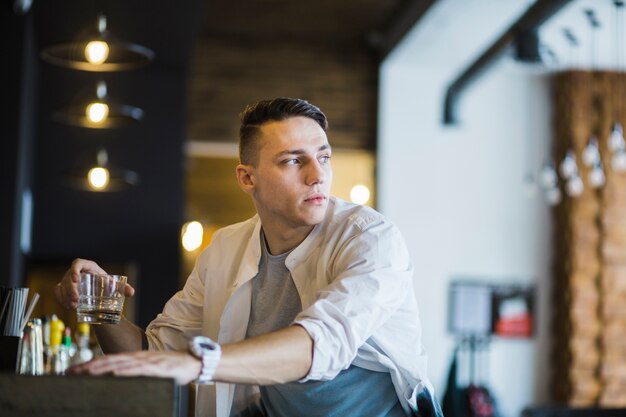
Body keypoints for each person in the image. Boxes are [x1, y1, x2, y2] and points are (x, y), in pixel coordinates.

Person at [56, 98, 442, 417]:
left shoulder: (371, 237)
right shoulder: (224, 249)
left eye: (323, 157)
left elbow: (322, 343)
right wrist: (100, 306)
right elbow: (155, 357)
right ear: (247, 177)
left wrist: (200, 363)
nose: (316, 175)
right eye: (293, 160)